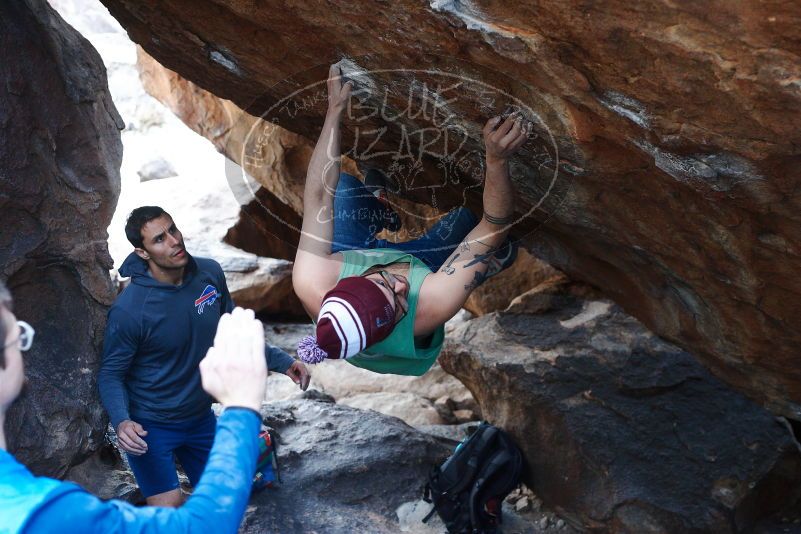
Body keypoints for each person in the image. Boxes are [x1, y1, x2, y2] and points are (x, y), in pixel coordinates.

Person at [293, 64, 528, 376]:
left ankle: (380, 208)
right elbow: (493, 226)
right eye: (399, 305)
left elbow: (319, 194)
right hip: (423, 276)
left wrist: (334, 109)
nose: (401, 286)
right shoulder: (430, 304)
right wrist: (496, 160)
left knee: (345, 189)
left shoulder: (312, 278)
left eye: (385, 282)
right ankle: (488, 266)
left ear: (348, 280)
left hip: (356, 258)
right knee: (467, 221)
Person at [0, 278, 269, 533]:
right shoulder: (52, 517)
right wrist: (241, 407)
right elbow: (203, 527)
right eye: (19, 335)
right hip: (154, 427)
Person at [98, 207, 309, 507]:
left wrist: (284, 362)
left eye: (172, 229)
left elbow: (233, 332)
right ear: (142, 253)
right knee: (169, 511)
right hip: (152, 427)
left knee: (227, 503)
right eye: (159, 239)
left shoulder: (209, 273)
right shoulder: (130, 310)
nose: (174, 241)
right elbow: (111, 373)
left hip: (200, 418)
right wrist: (122, 422)